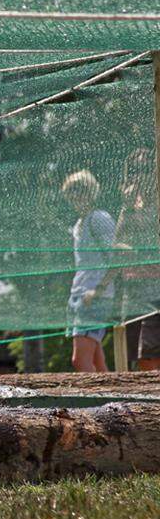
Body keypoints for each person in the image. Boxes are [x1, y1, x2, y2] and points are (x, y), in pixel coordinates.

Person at [61, 170, 115, 372]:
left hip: (95, 297)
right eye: (72, 192)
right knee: (96, 363)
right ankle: (114, 400)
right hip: (79, 295)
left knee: (80, 361)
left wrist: (98, 290)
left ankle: (95, 404)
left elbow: (116, 258)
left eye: (80, 190)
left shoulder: (99, 218)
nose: (75, 196)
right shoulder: (78, 225)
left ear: (90, 191)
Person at [115, 148, 160, 371]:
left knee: (149, 353)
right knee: (131, 353)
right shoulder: (130, 206)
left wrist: (140, 253)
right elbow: (117, 244)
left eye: (143, 170)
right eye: (133, 171)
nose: (138, 176)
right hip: (131, 286)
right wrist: (127, 207)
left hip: (156, 286)